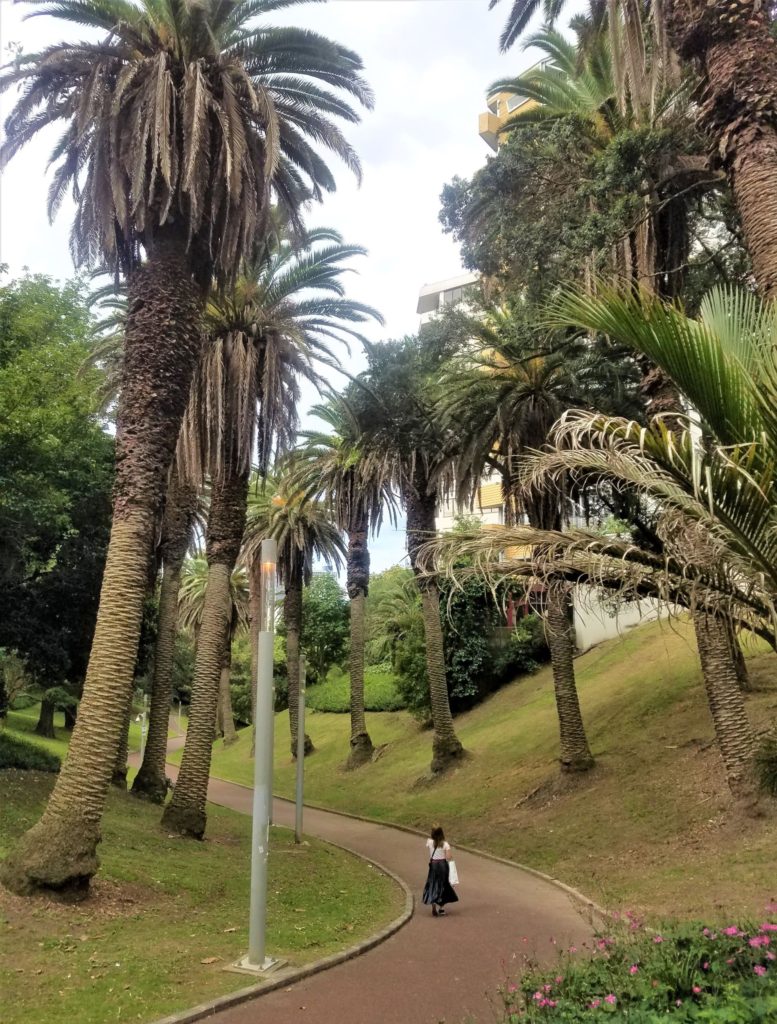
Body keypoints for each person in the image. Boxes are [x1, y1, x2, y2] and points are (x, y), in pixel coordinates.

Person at [422, 825, 458, 917]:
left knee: (433, 883)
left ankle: (433, 903)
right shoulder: (445, 844)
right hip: (442, 865)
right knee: (443, 885)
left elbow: (429, 849)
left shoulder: (429, 842)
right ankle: (441, 908)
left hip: (433, 865)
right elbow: (448, 857)